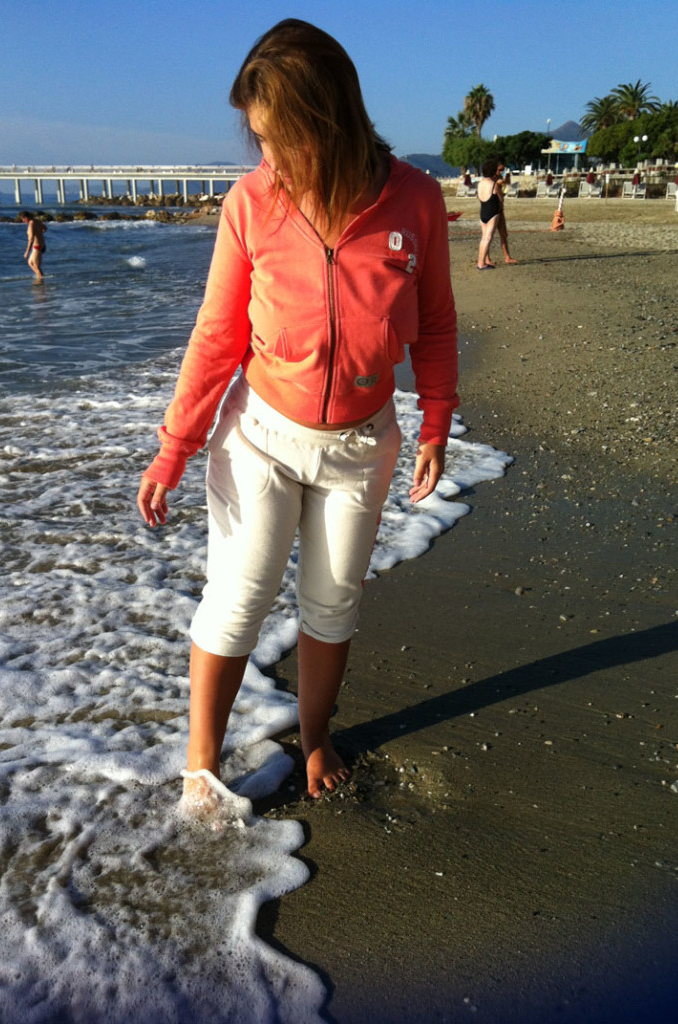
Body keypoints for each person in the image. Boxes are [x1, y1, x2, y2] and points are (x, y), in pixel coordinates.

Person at [136, 19, 458, 810]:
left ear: (328, 120)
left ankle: (316, 737)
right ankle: (201, 768)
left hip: (361, 445)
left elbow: (437, 323)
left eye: (280, 139)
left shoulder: (415, 199)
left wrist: (437, 422)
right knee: (239, 597)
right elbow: (217, 334)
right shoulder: (251, 204)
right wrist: (175, 446)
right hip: (261, 438)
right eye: (258, 140)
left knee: (333, 601)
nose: (268, 157)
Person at [476, 158, 501, 270]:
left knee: (484, 238)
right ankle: (481, 263)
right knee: (488, 237)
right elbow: (500, 198)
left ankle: (484, 260)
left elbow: (479, 197)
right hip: (492, 212)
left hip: (483, 211)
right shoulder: (493, 184)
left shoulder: (480, 183)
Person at [496, 161, 517, 265]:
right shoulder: (492, 180)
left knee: (504, 234)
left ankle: (507, 256)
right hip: (492, 211)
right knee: (488, 237)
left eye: (502, 170)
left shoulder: (500, 180)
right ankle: (485, 258)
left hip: (500, 210)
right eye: (499, 170)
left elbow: (502, 195)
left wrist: (504, 186)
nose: (501, 172)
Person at [20, 212, 46, 281]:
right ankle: (40, 277)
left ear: (26, 218)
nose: (23, 221)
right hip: (41, 244)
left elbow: (31, 239)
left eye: (23, 219)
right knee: (30, 262)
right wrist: (39, 234)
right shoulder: (36, 221)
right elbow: (45, 228)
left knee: (36, 265)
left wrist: (27, 252)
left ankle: (41, 281)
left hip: (37, 246)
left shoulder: (31, 224)